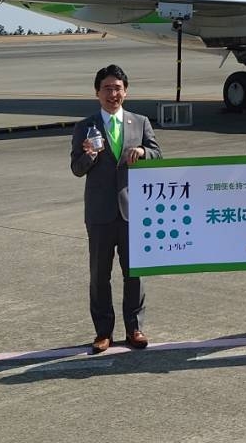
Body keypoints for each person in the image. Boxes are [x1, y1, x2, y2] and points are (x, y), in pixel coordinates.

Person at [70, 64, 162, 353]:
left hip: (132, 211)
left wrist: (144, 152)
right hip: (98, 213)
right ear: (97, 93)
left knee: (134, 272)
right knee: (100, 275)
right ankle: (103, 332)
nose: (113, 94)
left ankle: (134, 328)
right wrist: (90, 156)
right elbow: (76, 168)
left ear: (126, 91)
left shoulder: (140, 122)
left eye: (118, 88)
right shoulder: (84, 127)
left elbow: (159, 155)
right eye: (107, 88)